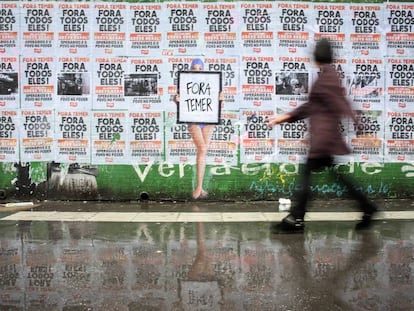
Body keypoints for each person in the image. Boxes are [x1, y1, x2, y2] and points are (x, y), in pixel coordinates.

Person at [267, 38, 378, 232]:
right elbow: (313, 106)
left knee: (307, 175)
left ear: (316, 57)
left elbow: (343, 105)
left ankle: (297, 218)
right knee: (336, 177)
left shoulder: (328, 78)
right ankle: (367, 207)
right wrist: (284, 118)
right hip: (325, 139)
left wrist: (363, 128)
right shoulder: (328, 75)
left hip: (323, 140)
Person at [174, 58, 224, 199]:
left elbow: (218, 107)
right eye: (194, 69)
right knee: (202, 149)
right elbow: (182, 106)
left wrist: (220, 99)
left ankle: (200, 187)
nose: (197, 71)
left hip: (208, 119)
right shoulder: (185, 84)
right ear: (190, 70)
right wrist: (176, 100)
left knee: (203, 151)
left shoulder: (211, 84)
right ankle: (198, 187)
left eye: (200, 69)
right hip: (193, 120)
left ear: (204, 70)